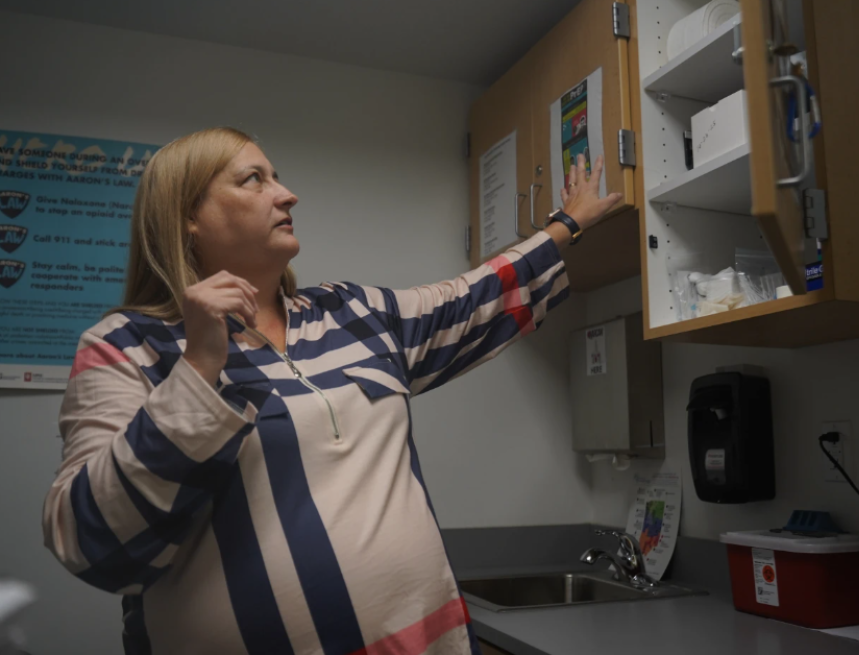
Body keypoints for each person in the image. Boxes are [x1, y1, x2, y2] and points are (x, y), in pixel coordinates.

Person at [43, 127, 621, 655]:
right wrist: (197, 369)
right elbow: (87, 538)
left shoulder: (351, 311)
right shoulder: (125, 346)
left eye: (278, 176)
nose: (288, 194)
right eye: (255, 180)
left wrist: (565, 226)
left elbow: (471, 297)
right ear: (186, 217)